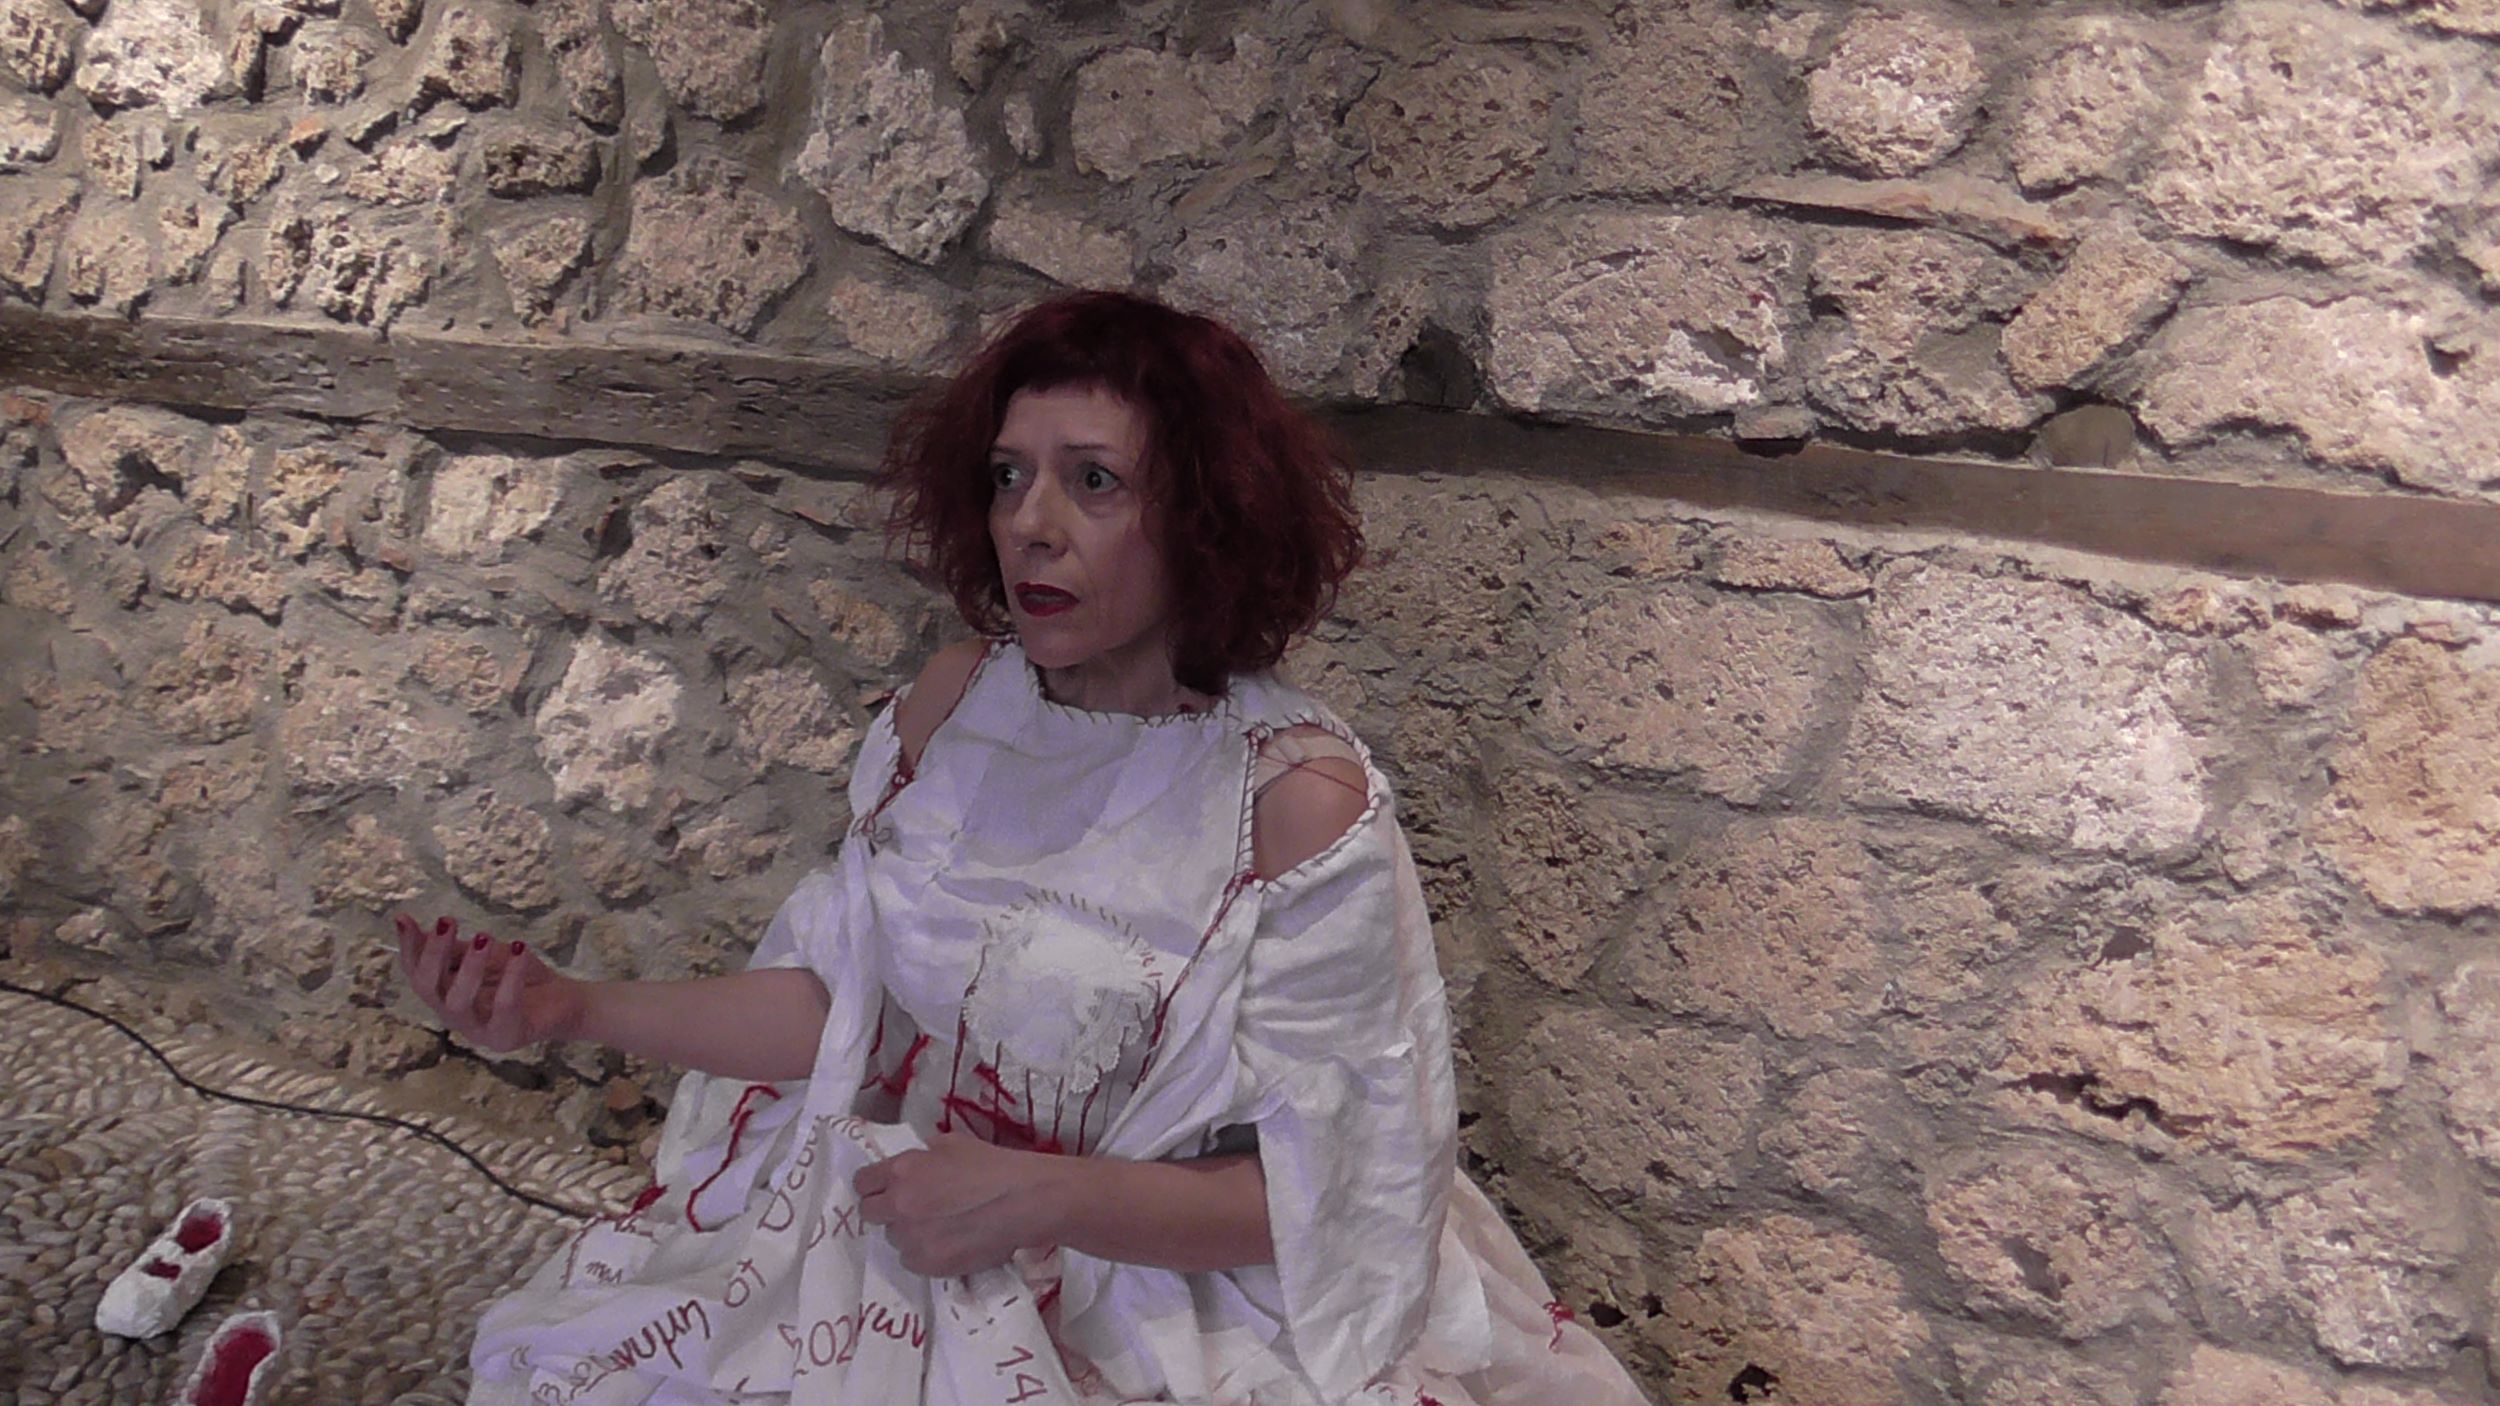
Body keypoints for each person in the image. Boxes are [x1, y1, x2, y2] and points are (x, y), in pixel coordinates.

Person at [396, 291, 1650, 1406]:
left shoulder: (1294, 803)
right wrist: (572, 1008)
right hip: (912, 1233)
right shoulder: (955, 706)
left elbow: (1333, 1193)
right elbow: (849, 1014)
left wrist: (1041, 1195)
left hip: (1172, 1298)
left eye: (1093, 481)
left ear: (1207, 518)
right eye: (1008, 476)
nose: (1029, 525)